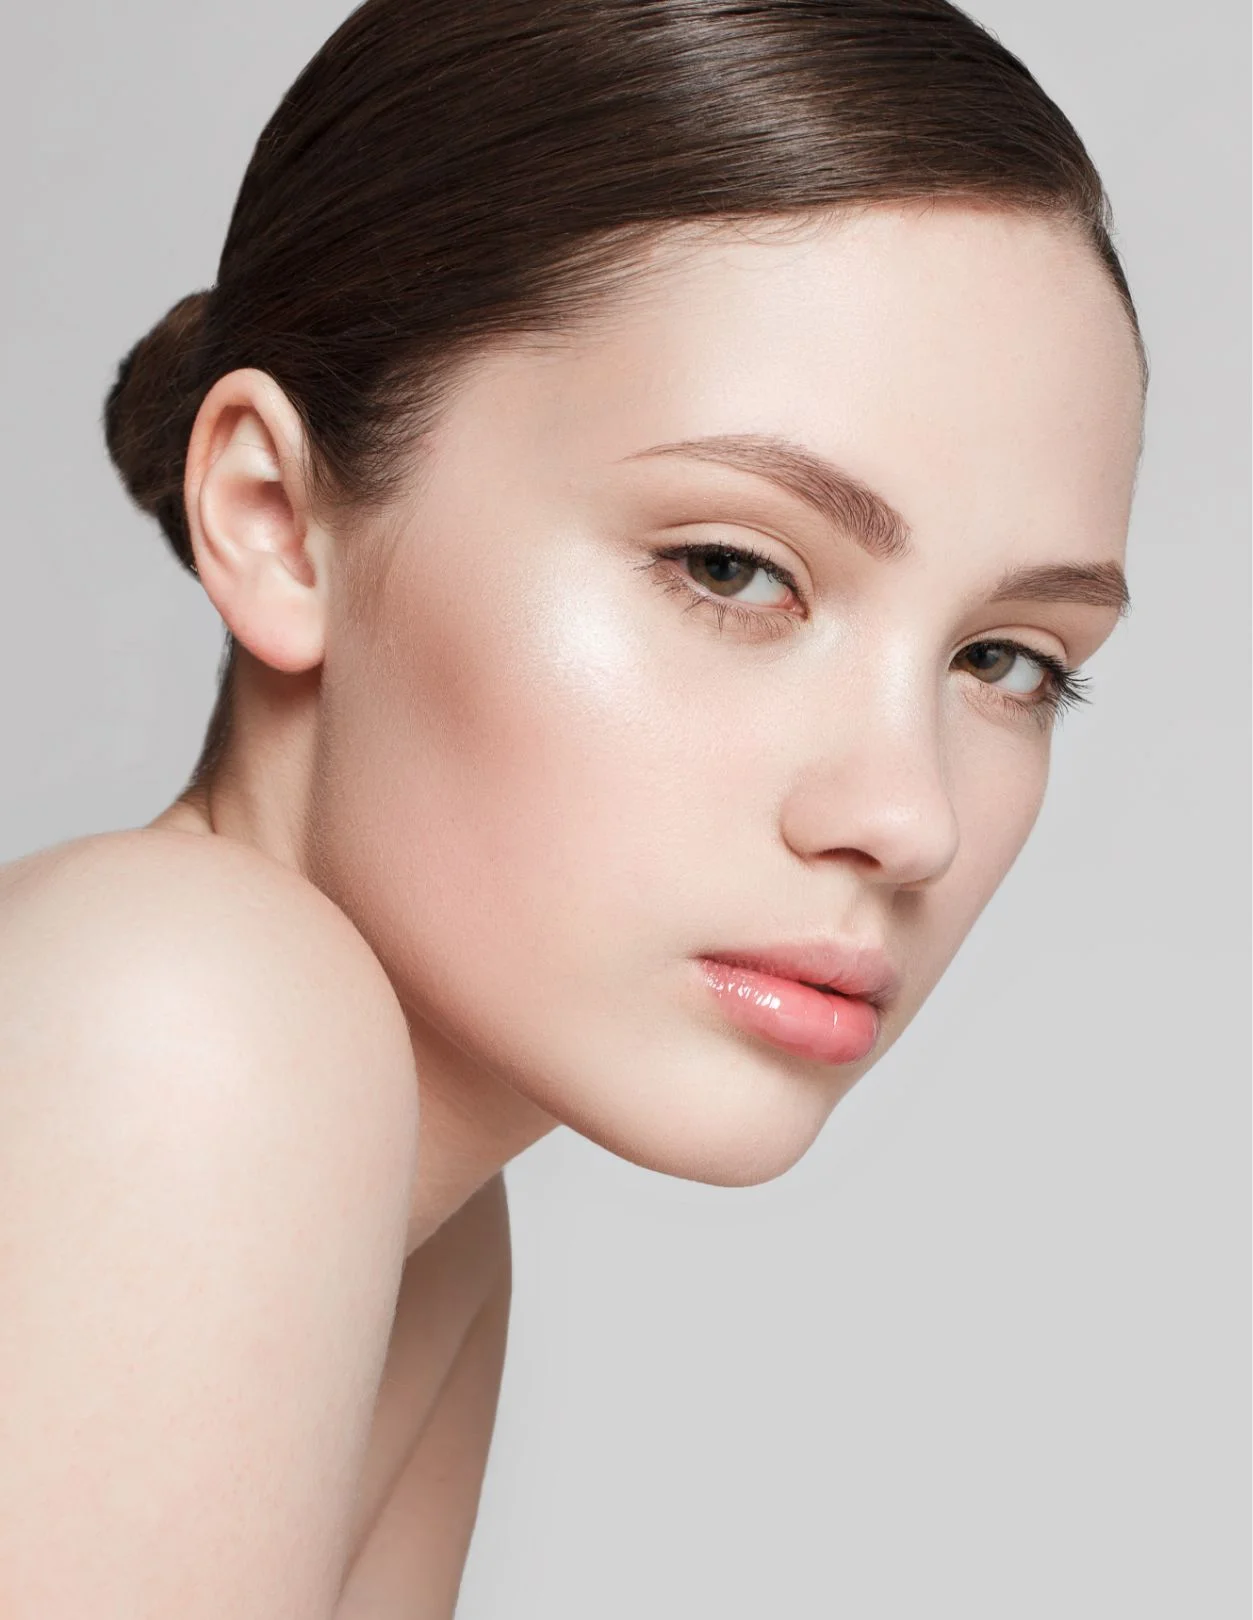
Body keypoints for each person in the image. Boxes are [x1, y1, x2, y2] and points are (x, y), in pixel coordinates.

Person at [0, 1, 1145, 1615]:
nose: (908, 819)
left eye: (1009, 659)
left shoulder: (427, 1235)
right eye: (732, 567)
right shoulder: (192, 1015)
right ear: (275, 520)